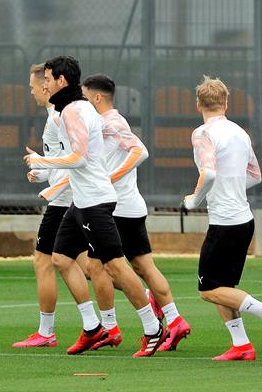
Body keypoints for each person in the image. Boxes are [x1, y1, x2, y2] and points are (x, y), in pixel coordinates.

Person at [24, 55, 167, 357]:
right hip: (82, 202)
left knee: (115, 266)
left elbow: (80, 158)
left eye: (47, 79)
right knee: (61, 257)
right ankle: (93, 327)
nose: (43, 84)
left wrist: (42, 160)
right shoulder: (72, 108)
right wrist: (47, 173)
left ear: (61, 80)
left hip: (95, 201)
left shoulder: (74, 110)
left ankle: (153, 328)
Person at [183, 76, 262, 361]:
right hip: (243, 219)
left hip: (225, 222)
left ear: (198, 105)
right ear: (226, 103)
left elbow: (208, 173)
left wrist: (194, 200)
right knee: (223, 288)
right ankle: (241, 345)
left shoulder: (202, 133)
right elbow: (255, 176)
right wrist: (229, 187)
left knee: (208, 290)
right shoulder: (239, 132)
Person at [81, 73, 192, 352]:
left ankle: (111, 327)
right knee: (141, 266)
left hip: (116, 208)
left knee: (96, 267)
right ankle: (174, 319)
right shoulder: (105, 123)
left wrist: (110, 178)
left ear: (97, 97)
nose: (81, 103)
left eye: (84, 97)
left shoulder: (111, 122)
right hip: (128, 206)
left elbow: (140, 151)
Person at [12, 63, 75, 348]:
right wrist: (42, 172)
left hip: (64, 201)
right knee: (93, 267)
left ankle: (47, 331)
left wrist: (54, 186)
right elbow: (63, 162)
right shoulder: (56, 116)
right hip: (70, 197)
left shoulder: (60, 117)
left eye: (34, 86)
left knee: (43, 260)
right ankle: (145, 300)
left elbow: (78, 161)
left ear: (47, 85)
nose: (32, 91)